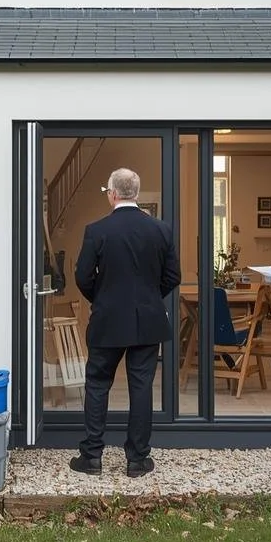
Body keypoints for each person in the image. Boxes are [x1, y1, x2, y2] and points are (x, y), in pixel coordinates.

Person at [69, 167, 181, 478]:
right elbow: (173, 277)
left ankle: (91, 456)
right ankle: (137, 460)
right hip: (147, 321)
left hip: (107, 319)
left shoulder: (97, 230)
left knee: (97, 384)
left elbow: (81, 276)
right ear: (135, 193)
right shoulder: (161, 230)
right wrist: (147, 299)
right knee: (142, 387)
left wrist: (102, 298)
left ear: (113, 194)